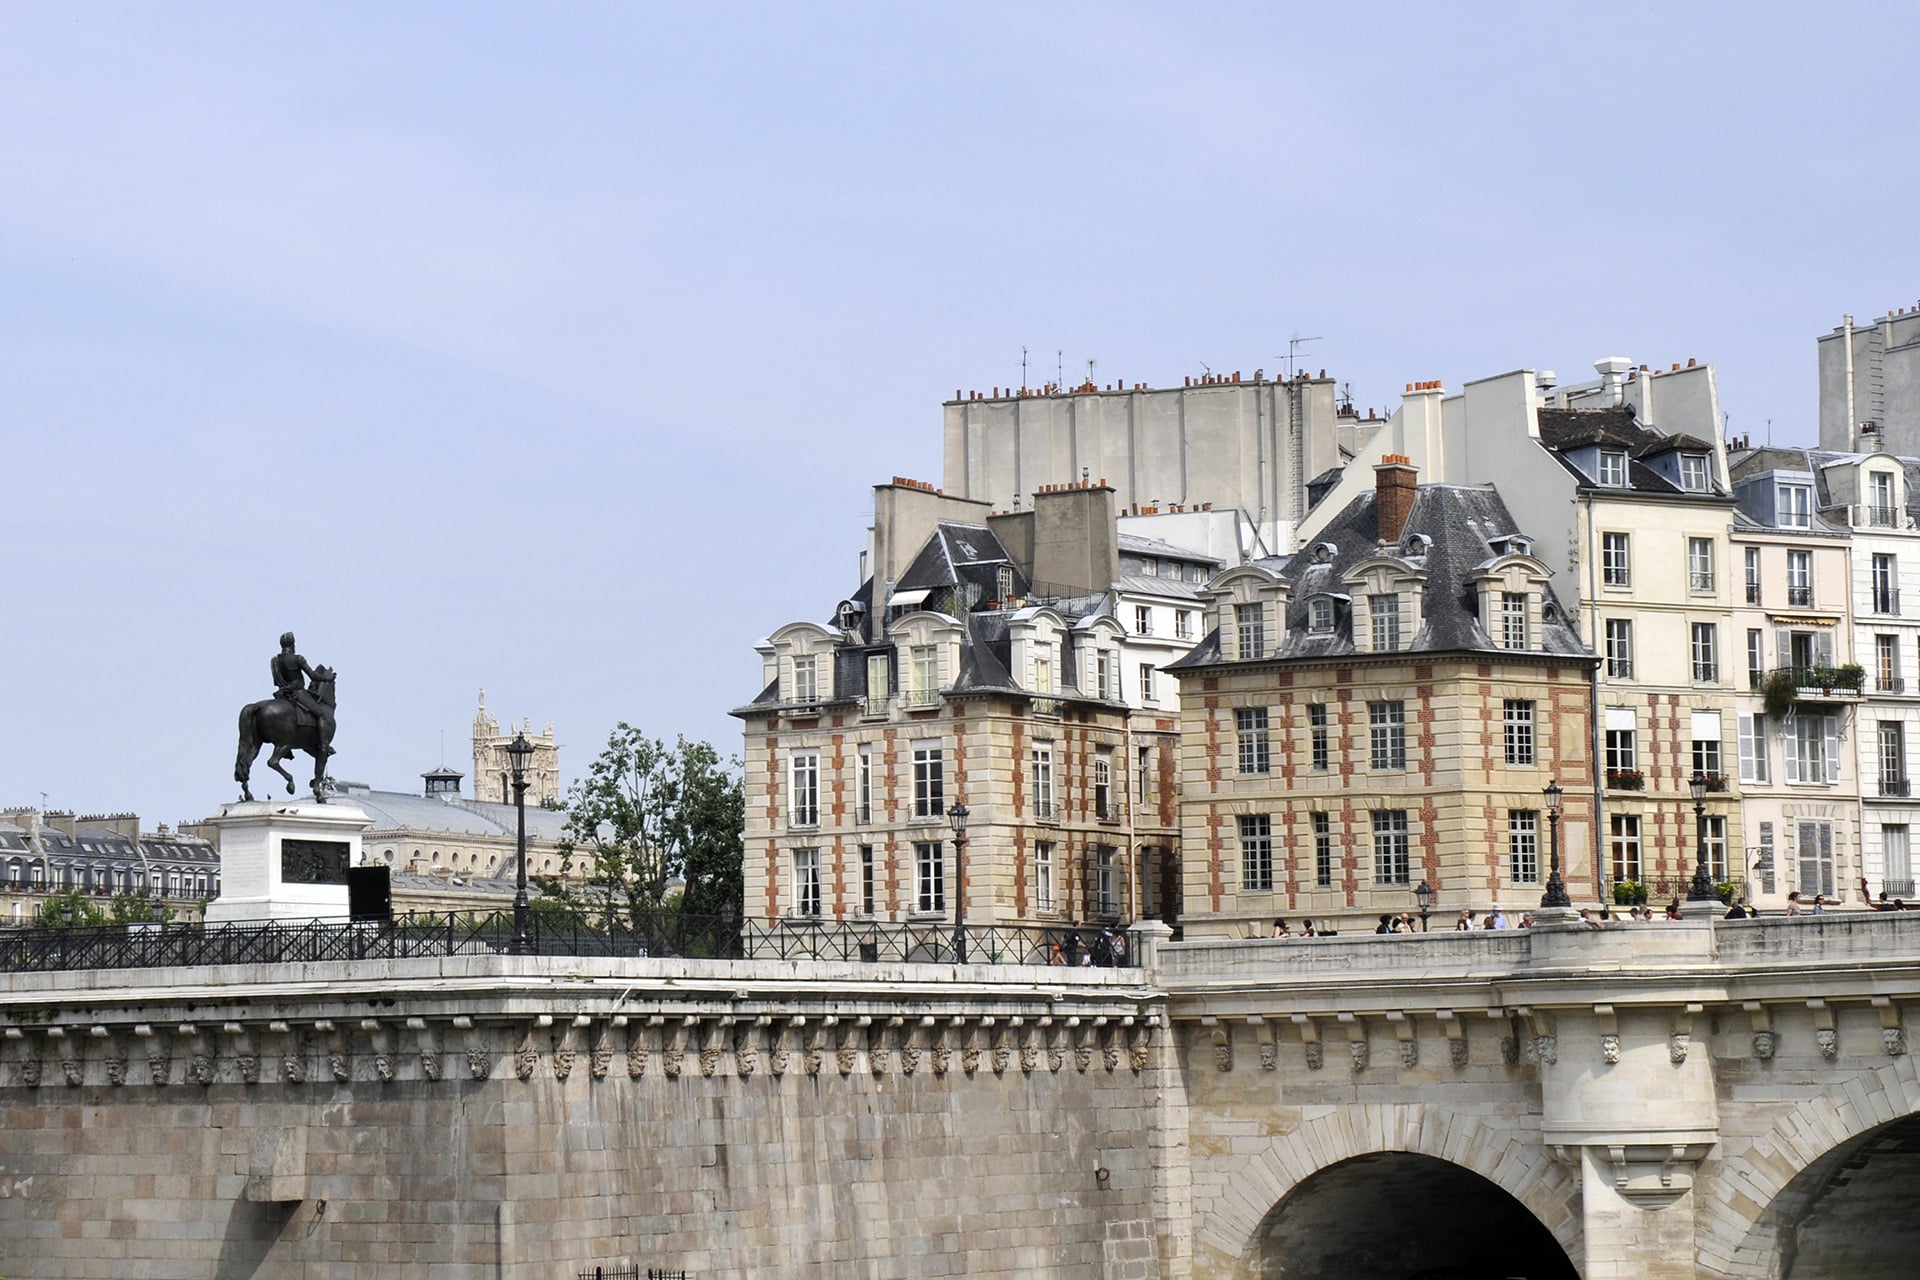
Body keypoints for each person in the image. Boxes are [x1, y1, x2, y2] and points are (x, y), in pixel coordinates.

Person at [271, 631, 336, 757]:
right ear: (293, 644)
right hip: (297, 692)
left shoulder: (275, 661)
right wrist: (328, 679)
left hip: (282, 694)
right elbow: (313, 675)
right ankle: (324, 745)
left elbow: (276, 681)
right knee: (321, 714)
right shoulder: (297, 658)